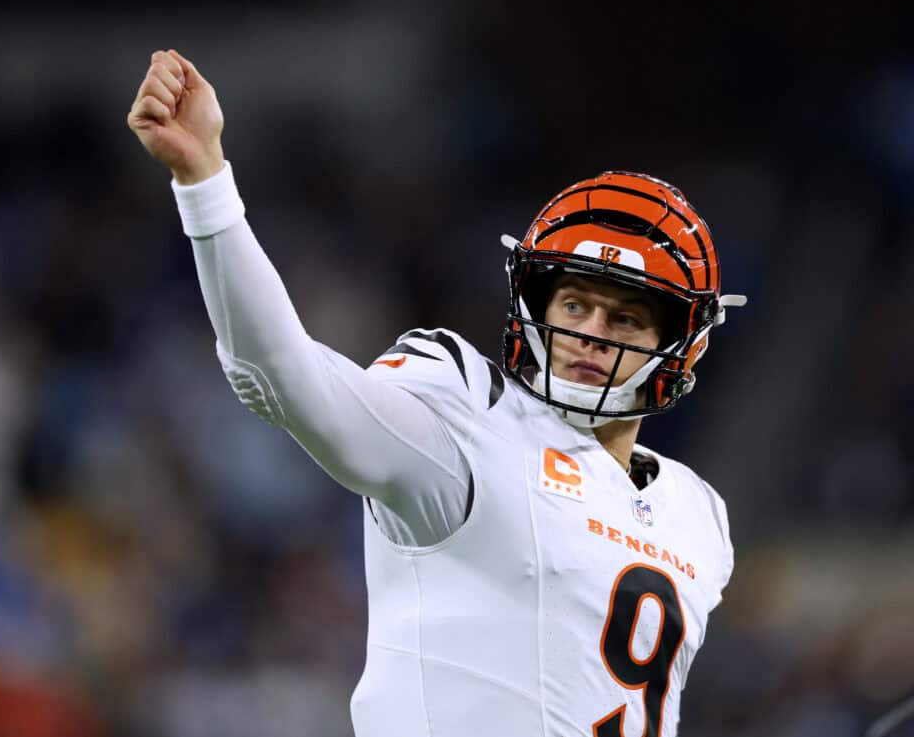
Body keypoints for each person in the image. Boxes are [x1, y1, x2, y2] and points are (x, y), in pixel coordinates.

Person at [128, 48, 747, 737]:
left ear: (684, 343)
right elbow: (283, 374)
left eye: (625, 317)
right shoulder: (467, 409)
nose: (591, 333)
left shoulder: (698, 514)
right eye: (574, 305)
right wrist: (205, 179)